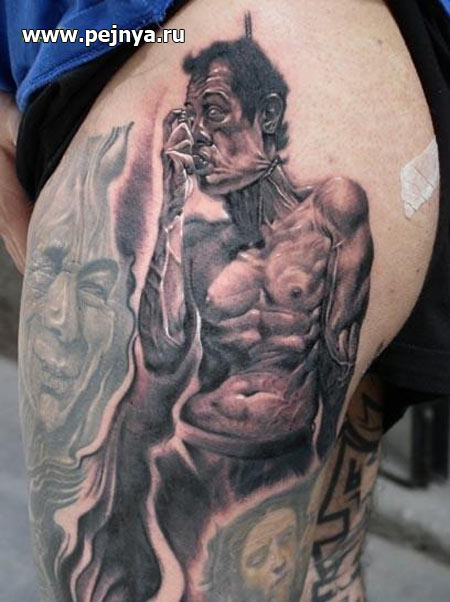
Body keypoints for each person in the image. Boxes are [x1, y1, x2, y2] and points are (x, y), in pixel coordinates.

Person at [0, 1, 449, 600]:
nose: (197, 139)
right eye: (190, 118)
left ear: (267, 116)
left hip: (156, 29)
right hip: (390, 70)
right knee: (329, 571)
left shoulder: (331, 210)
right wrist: (169, 213)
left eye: (213, 113)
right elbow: (162, 352)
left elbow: (338, 341)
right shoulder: (199, 243)